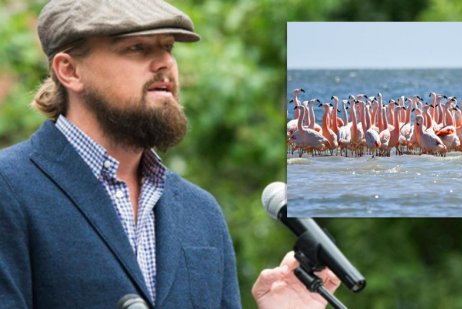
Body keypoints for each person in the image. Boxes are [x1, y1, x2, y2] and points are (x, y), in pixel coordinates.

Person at [0, 0, 339, 308]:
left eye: (167, 47)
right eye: (135, 47)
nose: (164, 62)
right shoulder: (10, 188)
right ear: (70, 71)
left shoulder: (201, 212)